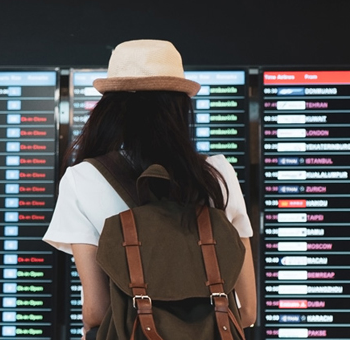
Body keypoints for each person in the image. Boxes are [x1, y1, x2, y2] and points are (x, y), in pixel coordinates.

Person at [43, 39, 257, 339]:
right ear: (181, 106)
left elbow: (97, 311)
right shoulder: (217, 173)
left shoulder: (83, 178)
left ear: (111, 108)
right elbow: (247, 310)